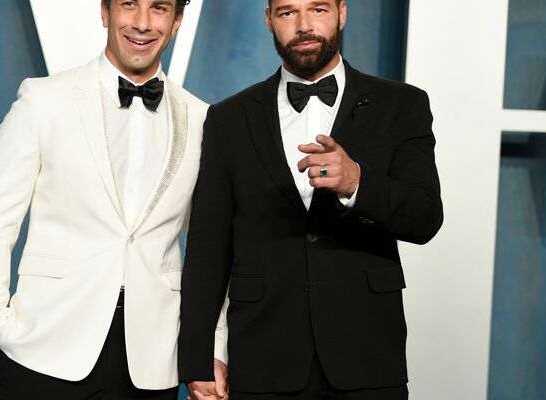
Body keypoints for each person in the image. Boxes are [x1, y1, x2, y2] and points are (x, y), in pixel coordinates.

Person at [179, 0, 443, 398]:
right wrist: (200, 356)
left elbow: (425, 218)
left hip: (367, 356)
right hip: (262, 358)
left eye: (317, 9)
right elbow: (207, 247)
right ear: (269, 20)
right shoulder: (228, 118)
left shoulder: (402, 105)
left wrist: (358, 183)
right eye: (287, 12)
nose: (303, 25)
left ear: (341, 12)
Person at [0, 1, 226, 398]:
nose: (141, 22)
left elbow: (212, 251)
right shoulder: (43, 99)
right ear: (105, 12)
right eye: (128, 4)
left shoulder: (202, 118)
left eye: (158, 8)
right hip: (41, 352)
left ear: (177, 21)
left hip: (151, 363)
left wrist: (211, 348)